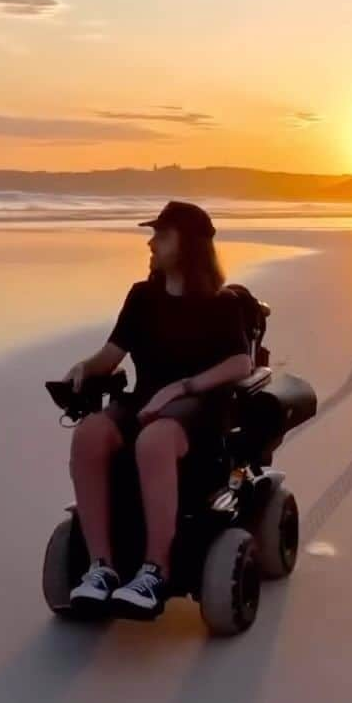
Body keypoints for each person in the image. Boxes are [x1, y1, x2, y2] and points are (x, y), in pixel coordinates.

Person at [60, 200, 253, 615]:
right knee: (90, 432)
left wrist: (182, 388)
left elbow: (242, 363)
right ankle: (101, 568)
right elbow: (111, 355)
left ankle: (155, 571)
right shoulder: (143, 296)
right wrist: (84, 368)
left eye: (161, 235)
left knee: (154, 439)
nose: (150, 242)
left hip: (199, 410)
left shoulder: (223, 304)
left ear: (188, 245)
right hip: (145, 402)